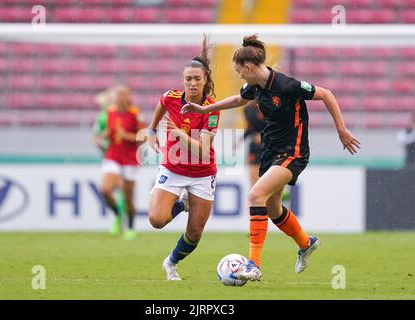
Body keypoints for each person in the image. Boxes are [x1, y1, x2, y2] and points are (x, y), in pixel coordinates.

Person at [182, 34, 361, 281]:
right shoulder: (254, 87)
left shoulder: (287, 85)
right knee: (272, 207)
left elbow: (326, 94)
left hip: (293, 151)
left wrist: (341, 130)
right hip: (270, 151)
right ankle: (306, 243)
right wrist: (204, 108)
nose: (240, 76)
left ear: (248, 67)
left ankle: (253, 264)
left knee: (255, 195)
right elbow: (238, 99)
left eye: (240, 71)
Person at [147, 35, 220, 280]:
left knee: (195, 232)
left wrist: (179, 135)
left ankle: (171, 262)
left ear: (205, 80)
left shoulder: (211, 109)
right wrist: (151, 130)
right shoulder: (171, 98)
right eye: (188, 79)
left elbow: (202, 148)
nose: (192, 83)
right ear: (183, 81)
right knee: (157, 220)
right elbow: (160, 105)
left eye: (197, 79)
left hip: (202, 173)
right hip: (173, 169)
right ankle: (182, 204)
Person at [99, 84, 145, 240]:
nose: (120, 97)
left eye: (123, 94)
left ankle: (130, 226)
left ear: (129, 97)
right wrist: (104, 137)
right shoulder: (110, 112)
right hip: (113, 155)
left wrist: (128, 136)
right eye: (118, 94)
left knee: (128, 196)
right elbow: (109, 131)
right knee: (105, 189)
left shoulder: (135, 114)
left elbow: (144, 136)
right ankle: (118, 214)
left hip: (130, 159)